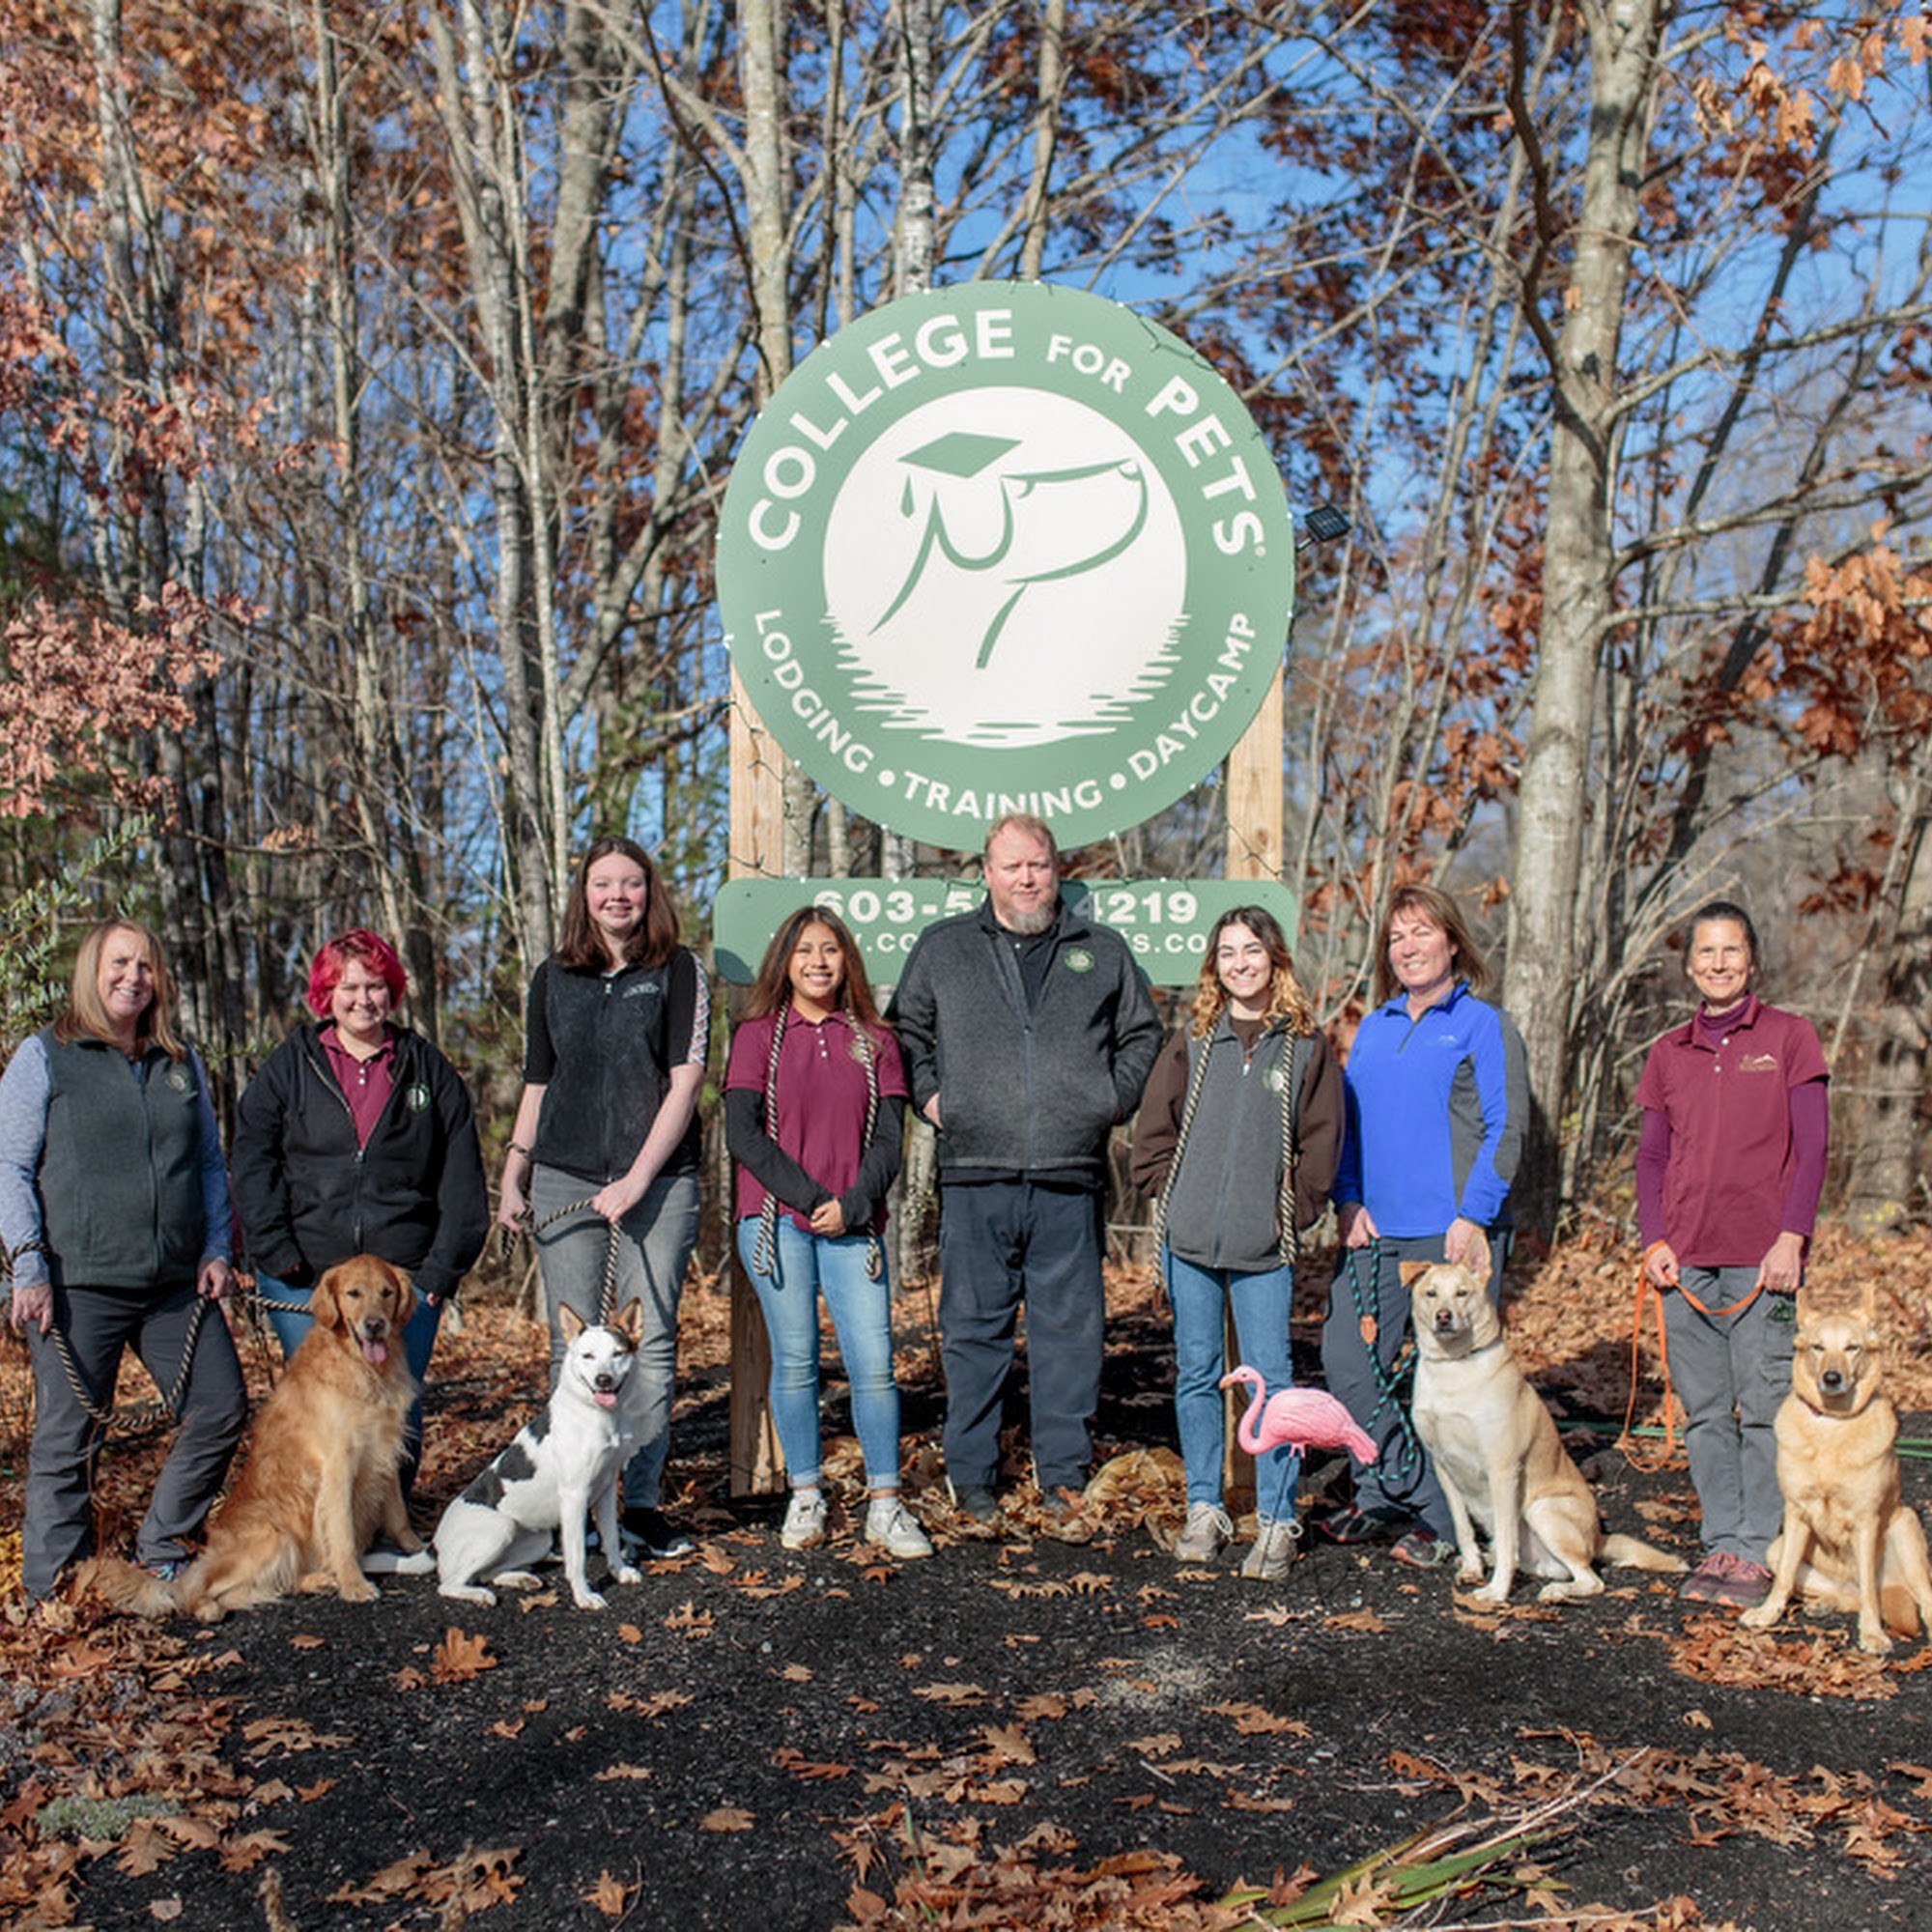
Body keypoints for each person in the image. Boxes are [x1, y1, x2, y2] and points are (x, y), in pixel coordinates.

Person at [890, 813, 1161, 1540]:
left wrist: (1107, 1100)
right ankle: (972, 1476)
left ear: (1056, 870)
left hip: (1070, 1176)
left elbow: (1143, 1035)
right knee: (972, 1333)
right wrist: (933, 1098)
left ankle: (1062, 1477)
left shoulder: (1100, 951)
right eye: (1012, 867)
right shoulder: (945, 949)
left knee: (1069, 1332)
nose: (1027, 878)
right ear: (987, 873)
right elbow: (904, 1030)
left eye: (1038, 865)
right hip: (975, 1174)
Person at [1, 919, 247, 1602]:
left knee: (220, 1405)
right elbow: (10, 1167)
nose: (133, 977)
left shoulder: (178, 1061)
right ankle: (54, 1592)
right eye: (119, 963)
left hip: (173, 1285)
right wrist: (27, 1266)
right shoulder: (45, 1056)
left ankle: (161, 1546)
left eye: (145, 965)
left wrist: (217, 1249)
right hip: (75, 1285)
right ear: (91, 969)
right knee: (66, 1441)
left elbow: (205, 1163)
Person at [497, 837, 708, 1560]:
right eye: (602, 885)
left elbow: (686, 1081)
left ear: (650, 892)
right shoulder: (553, 977)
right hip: (565, 1174)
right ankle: (578, 1510)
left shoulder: (678, 971)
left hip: (660, 1180)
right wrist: (513, 1174)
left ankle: (640, 1504)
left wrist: (639, 1179)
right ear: (583, 895)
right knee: (578, 1343)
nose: (618, 896)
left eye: (631, 884)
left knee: (647, 1342)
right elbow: (536, 1083)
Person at [230, 928, 489, 1499]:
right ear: (327, 993)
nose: (363, 999)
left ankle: (383, 1532)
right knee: (323, 1413)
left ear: (391, 991)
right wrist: (274, 1251)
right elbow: (252, 1159)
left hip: (403, 1280)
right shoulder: (290, 1066)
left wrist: (441, 1272)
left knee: (392, 1407)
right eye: (348, 987)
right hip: (306, 1278)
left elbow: (463, 1178)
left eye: (375, 986)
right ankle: (319, 1532)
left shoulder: (426, 1068)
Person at [1129, 907, 1344, 1579]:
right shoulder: (1194, 1040)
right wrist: (1169, 1191)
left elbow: (1322, 1142)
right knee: (1197, 1376)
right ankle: (1205, 1508)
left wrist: (1292, 1212)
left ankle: (1278, 1519)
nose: (1240, 963)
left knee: (1271, 1384)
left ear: (1275, 959)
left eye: (1252, 950)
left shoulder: (1305, 1047)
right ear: (1213, 966)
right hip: (1189, 1241)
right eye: (1227, 953)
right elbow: (1153, 1128)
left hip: (1263, 1250)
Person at [1321, 882, 1526, 1570]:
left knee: (1450, 1387)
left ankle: (1435, 1516)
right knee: (1352, 1362)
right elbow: (1348, 1129)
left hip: (1452, 1239)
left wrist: (1474, 1216)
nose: (1407, 948)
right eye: (1396, 937)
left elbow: (1506, 1127)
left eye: (1422, 933)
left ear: (1453, 942)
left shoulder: (1481, 1024)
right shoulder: (1373, 1026)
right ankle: (1403, 1496)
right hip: (1376, 1234)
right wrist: (1346, 1201)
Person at [1634, 899, 1828, 1608]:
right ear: (1689, 965)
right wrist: (1655, 1238)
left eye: (1732, 952)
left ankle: (1759, 1548)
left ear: (1752, 960)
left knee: (1766, 1404)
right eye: (1706, 953)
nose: (1719, 964)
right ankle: (1722, 1538)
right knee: (1708, 1411)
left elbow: (1812, 1150)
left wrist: (1791, 1236)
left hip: (1762, 1261)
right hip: (1684, 1265)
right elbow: (1651, 1157)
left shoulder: (1789, 1037)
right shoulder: (1668, 1053)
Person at [724, 905, 931, 1560]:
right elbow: (742, 1133)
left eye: (831, 950)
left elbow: (891, 1138)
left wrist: (853, 1201)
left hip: (855, 1221)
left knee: (873, 1365)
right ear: (783, 961)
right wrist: (812, 1198)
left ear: (848, 961)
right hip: (775, 1221)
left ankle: (885, 1503)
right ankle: (807, 1493)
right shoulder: (758, 1035)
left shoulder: (875, 1039)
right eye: (804, 950)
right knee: (795, 1360)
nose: (818, 961)